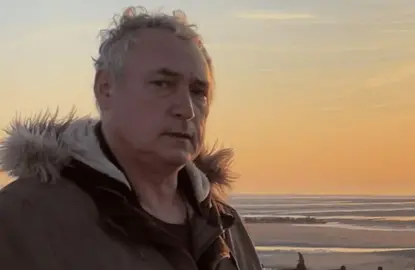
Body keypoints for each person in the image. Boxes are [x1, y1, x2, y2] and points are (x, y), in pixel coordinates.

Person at [0, 6, 262, 270]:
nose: (186, 109)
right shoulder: (23, 218)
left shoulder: (225, 227)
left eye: (198, 91)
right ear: (106, 89)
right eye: (162, 83)